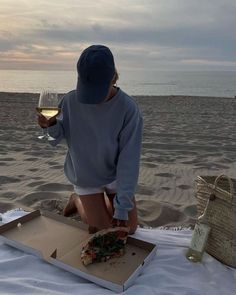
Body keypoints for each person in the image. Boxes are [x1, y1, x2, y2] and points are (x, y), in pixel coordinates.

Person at [37, 45, 143, 234]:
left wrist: (122, 207)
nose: (92, 97)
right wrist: (49, 126)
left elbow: (129, 160)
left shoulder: (128, 108)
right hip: (85, 175)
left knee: (129, 228)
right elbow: (54, 139)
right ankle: (77, 200)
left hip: (115, 175)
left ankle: (98, 201)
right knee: (101, 230)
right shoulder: (70, 101)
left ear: (112, 78)